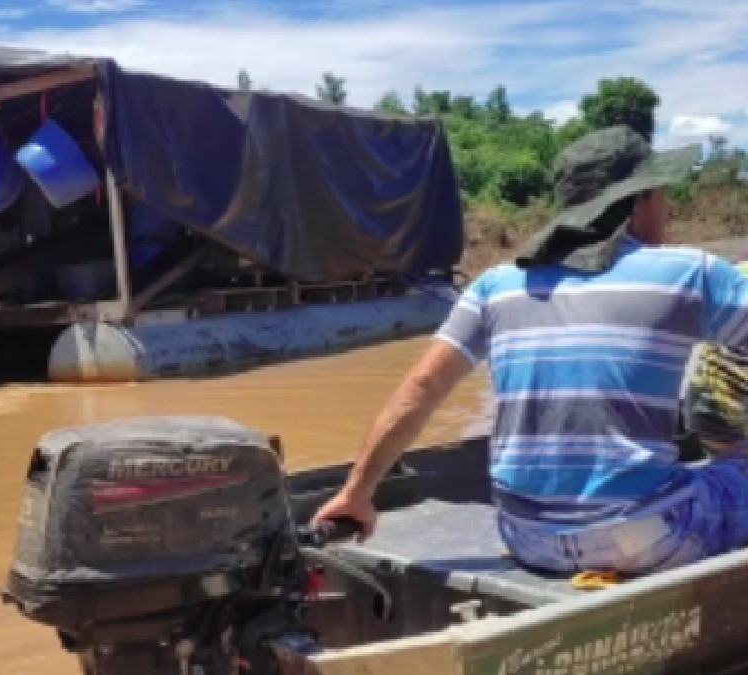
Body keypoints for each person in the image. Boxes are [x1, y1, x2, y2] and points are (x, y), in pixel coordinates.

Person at [311, 125, 748, 575]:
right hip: (646, 537)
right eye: (661, 195)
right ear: (639, 202)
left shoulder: (495, 286)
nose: (668, 210)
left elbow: (422, 385)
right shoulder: (690, 273)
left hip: (526, 537)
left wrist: (356, 492)